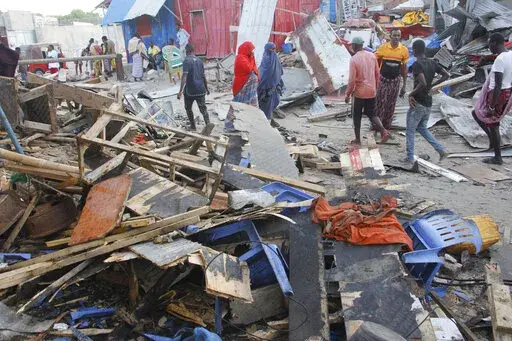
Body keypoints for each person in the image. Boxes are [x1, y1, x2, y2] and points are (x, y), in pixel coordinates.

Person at [405, 39, 449, 163]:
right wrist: (433, 85)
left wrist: (411, 94)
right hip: (428, 101)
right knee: (422, 128)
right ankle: (440, 150)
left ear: (414, 50)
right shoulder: (432, 63)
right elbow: (446, 75)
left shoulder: (417, 64)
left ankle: (409, 157)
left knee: (410, 130)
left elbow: (422, 82)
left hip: (418, 101)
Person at [472, 33, 512, 165]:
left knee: (493, 124)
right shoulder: (510, 55)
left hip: (497, 94)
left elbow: (498, 84)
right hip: (506, 92)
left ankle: (497, 157)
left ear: (495, 43)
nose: (489, 47)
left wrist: (492, 105)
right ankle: (492, 142)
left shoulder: (500, 60)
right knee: (477, 114)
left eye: (489, 43)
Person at [345, 37, 390, 145]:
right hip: (371, 91)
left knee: (357, 116)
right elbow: (377, 74)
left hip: (360, 92)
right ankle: (384, 131)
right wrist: (375, 88)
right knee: (372, 114)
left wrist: (347, 94)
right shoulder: (372, 56)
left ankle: (358, 139)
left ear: (355, 46)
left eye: (352, 45)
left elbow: (351, 80)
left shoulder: (354, 59)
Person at [374, 27, 409, 130]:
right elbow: (374, 61)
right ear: (390, 36)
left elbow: (404, 69)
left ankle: (386, 126)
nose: (396, 38)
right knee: (380, 102)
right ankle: (377, 126)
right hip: (383, 80)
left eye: (398, 35)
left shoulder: (404, 50)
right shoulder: (383, 48)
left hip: (395, 81)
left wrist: (404, 85)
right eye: (394, 35)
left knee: (391, 104)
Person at [177, 44, 210, 131]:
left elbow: (184, 76)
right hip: (201, 90)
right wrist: (207, 89)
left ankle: (193, 127)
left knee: (188, 108)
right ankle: (208, 126)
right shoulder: (199, 60)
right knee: (203, 109)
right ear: (193, 50)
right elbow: (203, 76)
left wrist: (180, 91)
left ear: (186, 51)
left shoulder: (186, 61)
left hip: (190, 91)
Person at [257, 42, 284, 121]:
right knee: (268, 103)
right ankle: (267, 118)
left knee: (269, 102)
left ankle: (267, 119)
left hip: (268, 86)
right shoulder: (272, 57)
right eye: (271, 49)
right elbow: (280, 71)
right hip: (271, 85)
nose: (273, 51)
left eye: (274, 49)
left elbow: (265, 72)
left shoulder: (269, 57)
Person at [232, 41, 259, 106]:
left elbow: (254, 68)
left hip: (250, 86)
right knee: (240, 103)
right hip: (242, 83)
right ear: (247, 49)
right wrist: (252, 58)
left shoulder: (248, 57)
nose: (252, 52)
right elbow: (248, 69)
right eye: (251, 50)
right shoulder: (240, 58)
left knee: (251, 103)